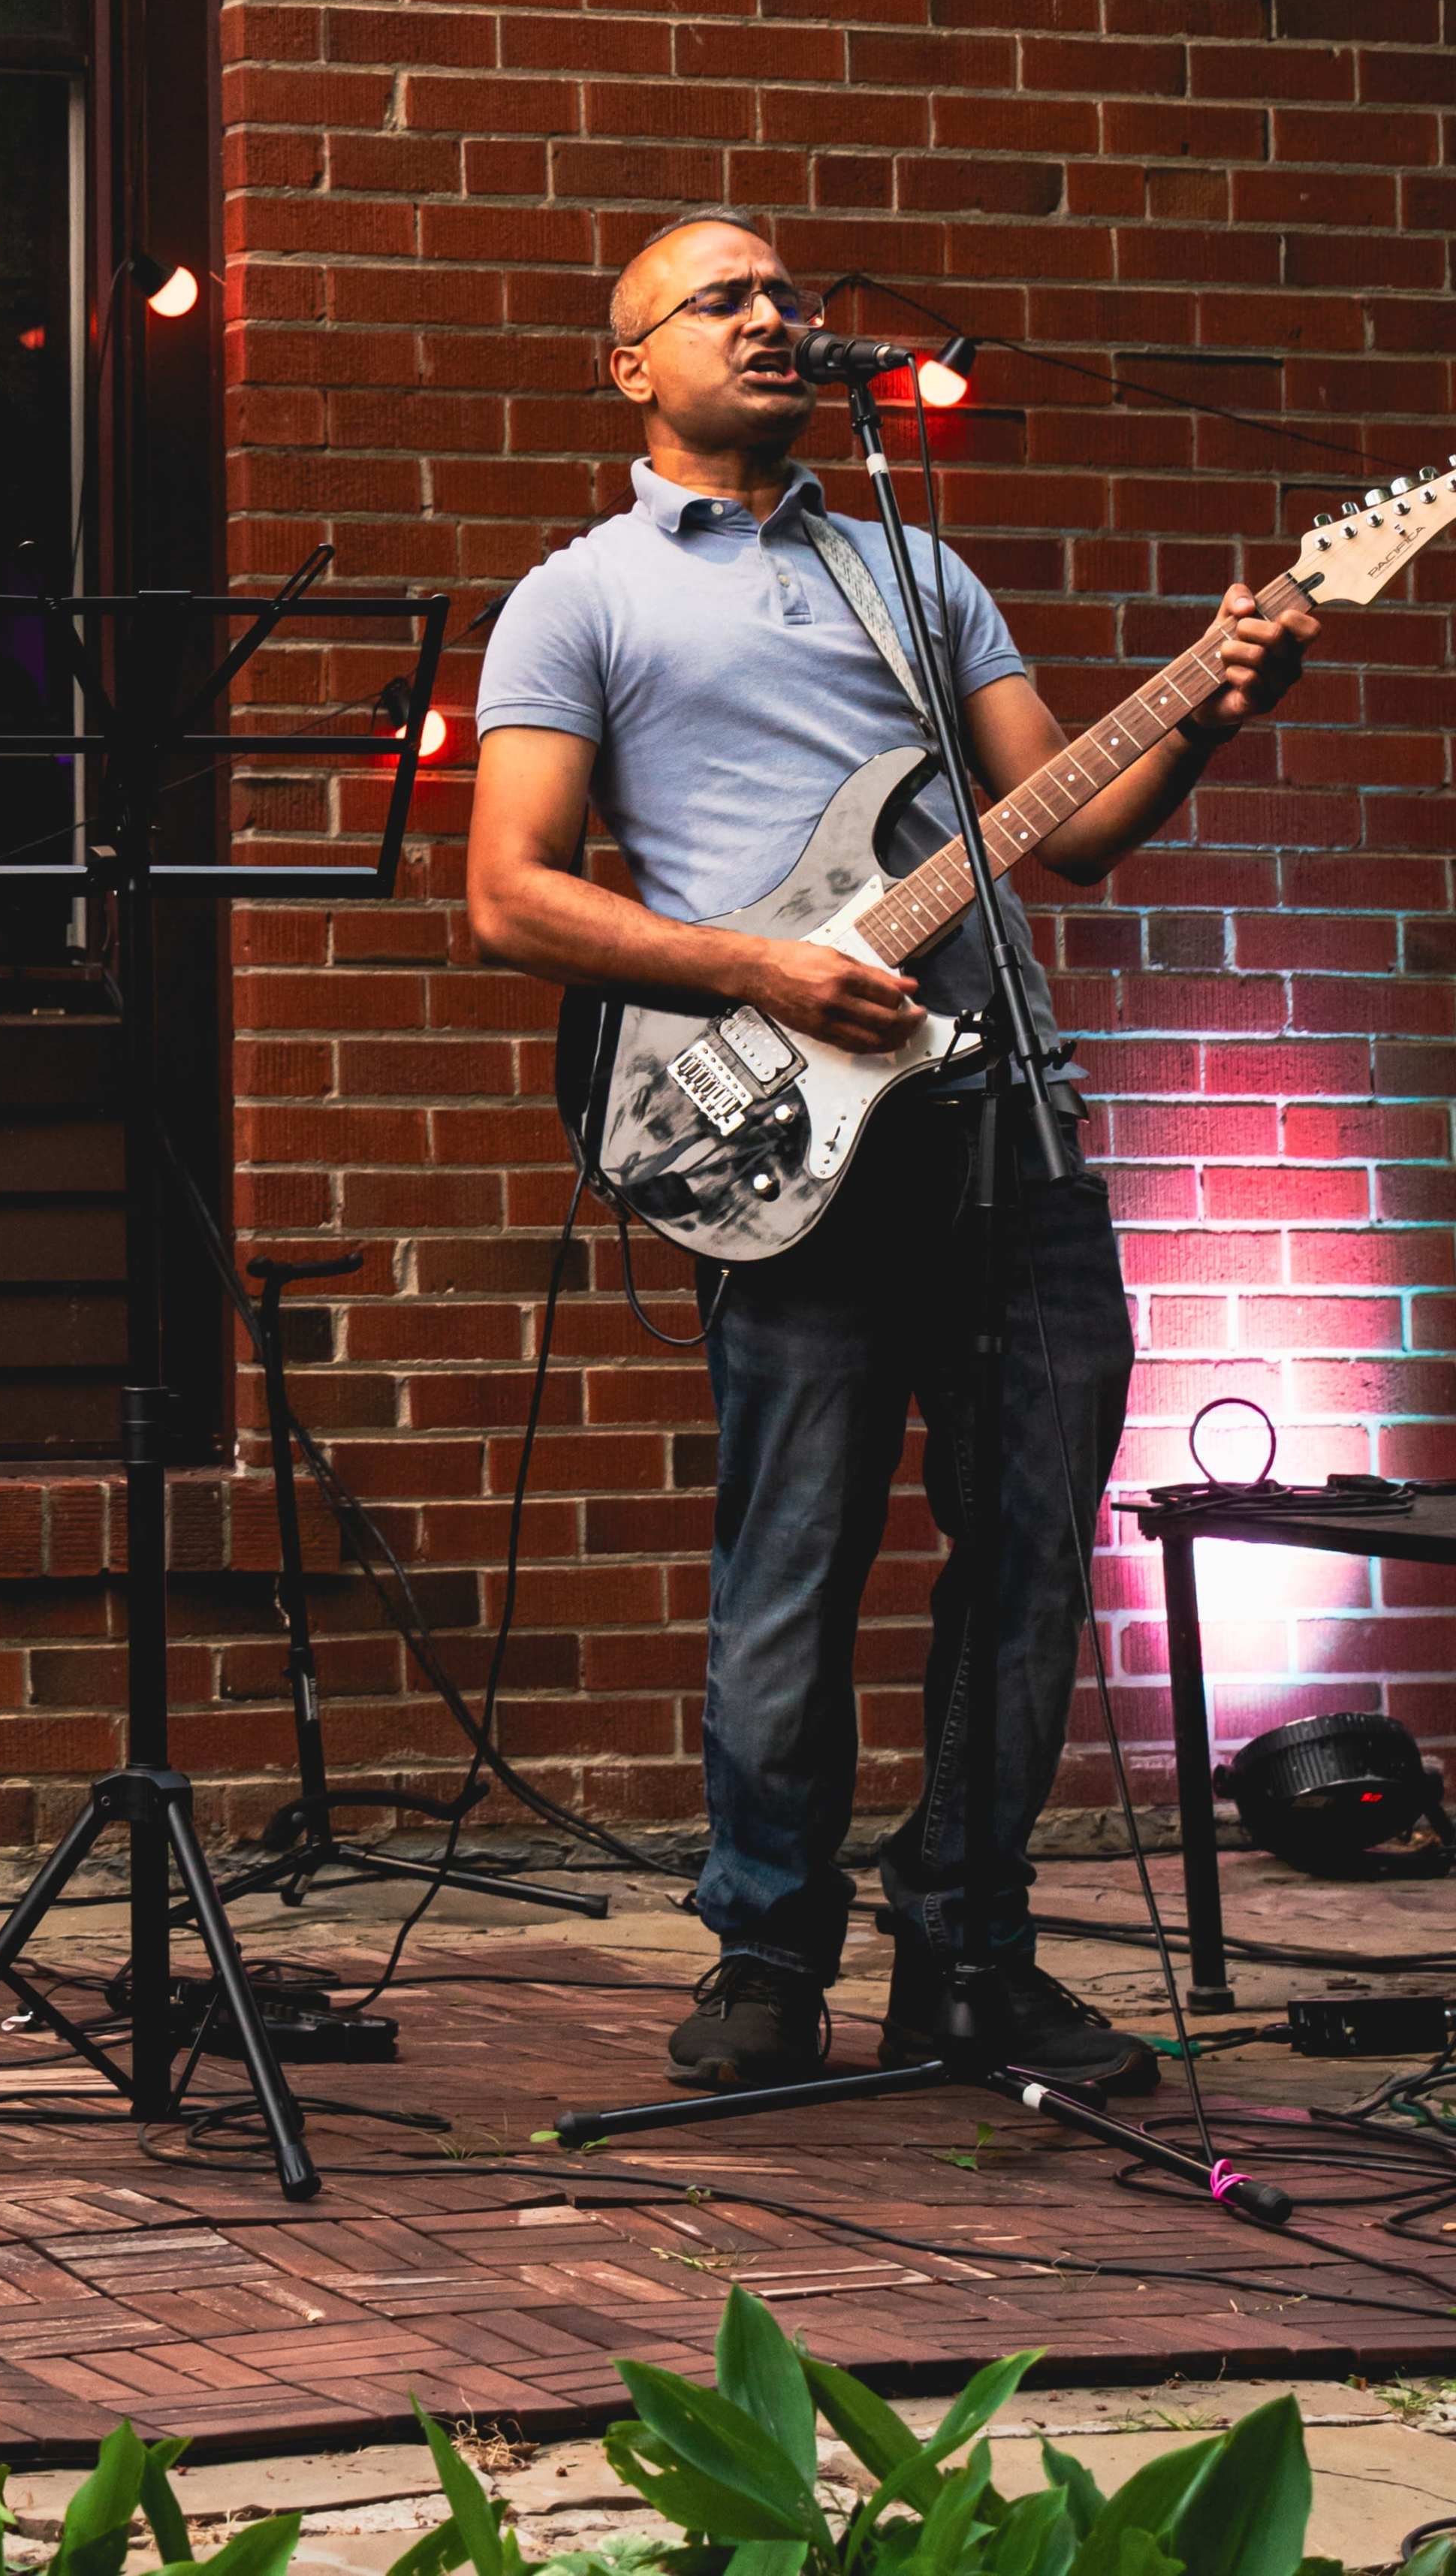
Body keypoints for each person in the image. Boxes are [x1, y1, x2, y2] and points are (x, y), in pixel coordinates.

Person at [466, 210, 1316, 2096]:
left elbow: (1066, 831)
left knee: (1026, 1557)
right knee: (796, 1552)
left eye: (790, 296)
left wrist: (1210, 700)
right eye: (725, 299)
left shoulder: (915, 569)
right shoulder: (583, 594)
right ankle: (767, 1948)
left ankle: (971, 1946)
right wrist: (762, 961)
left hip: (1004, 1116)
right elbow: (511, 897)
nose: (775, 318)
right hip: (787, 1124)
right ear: (633, 367)